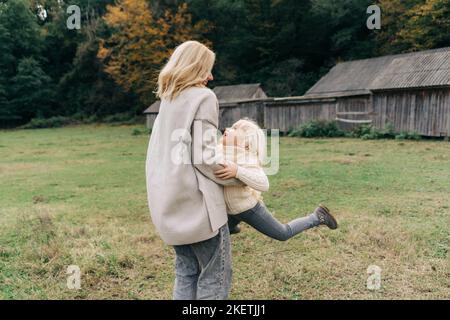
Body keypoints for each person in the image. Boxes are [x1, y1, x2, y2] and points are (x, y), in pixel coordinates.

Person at [145, 40, 241, 300]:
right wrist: (237, 174)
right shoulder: (203, 97)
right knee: (215, 276)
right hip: (198, 208)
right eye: (207, 69)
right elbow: (205, 155)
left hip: (168, 204)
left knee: (186, 272)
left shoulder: (168, 100)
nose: (210, 76)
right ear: (196, 68)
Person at [213, 119, 338, 241]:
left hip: (248, 209)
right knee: (215, 233)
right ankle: (231, 227)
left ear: (246, 143)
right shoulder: (218, 151)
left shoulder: (247, 158)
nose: (228, 129)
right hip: (229, 210)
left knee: (283, 233)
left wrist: (237, 171)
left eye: (235, 129)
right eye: (231, 127)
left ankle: (317, 217)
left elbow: (264, 184)